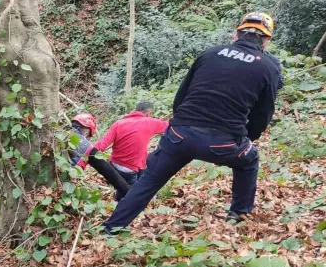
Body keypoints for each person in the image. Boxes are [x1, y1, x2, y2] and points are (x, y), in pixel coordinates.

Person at [104, 12, 282, 233]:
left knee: (148, 181)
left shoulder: (210, 54)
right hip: (224, 144)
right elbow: (263, 114)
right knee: (249, 160)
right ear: (266, 40)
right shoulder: (268, 66)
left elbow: (181, 98)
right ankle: (238, 213)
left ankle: (112, 228)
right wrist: (246, 138)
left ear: (237, 33)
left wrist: (181, 128)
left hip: (179, 136)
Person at [93, 101, 168, 190]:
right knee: (129, 193)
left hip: (114, 167)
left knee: (120, 187)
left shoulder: (118, 123)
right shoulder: (151, 122)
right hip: (130, 170)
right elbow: (169, 125)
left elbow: (101, 145)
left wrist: (85, 156)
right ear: (148, 113)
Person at [66, 113, 132, 200]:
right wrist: (129, 191)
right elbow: (108, 172)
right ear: (86, 132)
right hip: (66, 181)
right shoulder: (87, 147)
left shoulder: (62, 135)